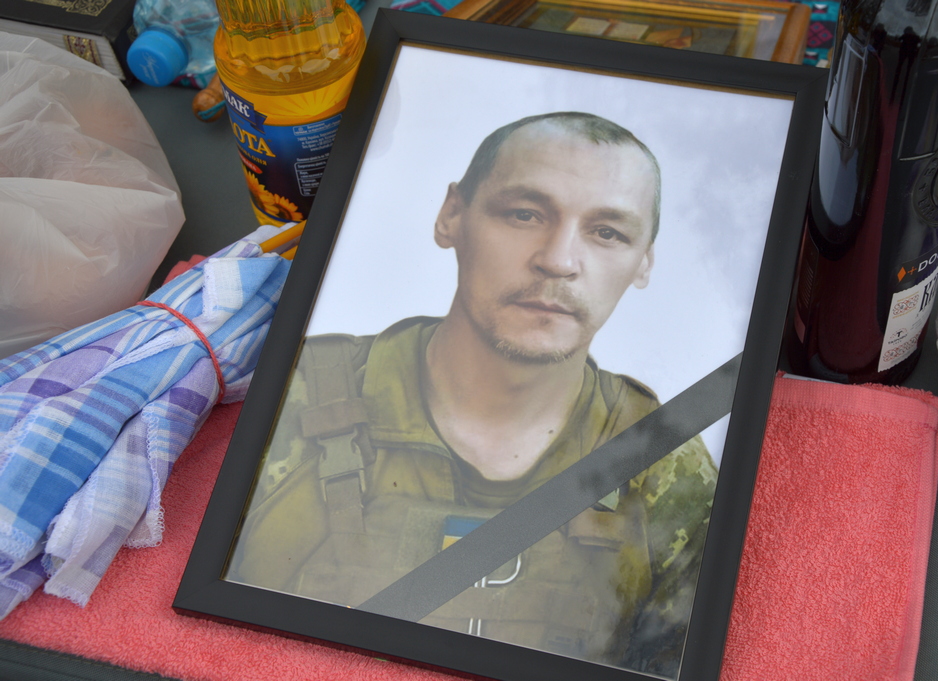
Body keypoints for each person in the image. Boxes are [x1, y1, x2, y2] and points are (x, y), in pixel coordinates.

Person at [228, 112, 717, 676]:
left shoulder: (661, 461)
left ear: (644, 261)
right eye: (525, 214)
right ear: (452, 216)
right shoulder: (294, 394)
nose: (558, 260)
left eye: (608, 232)